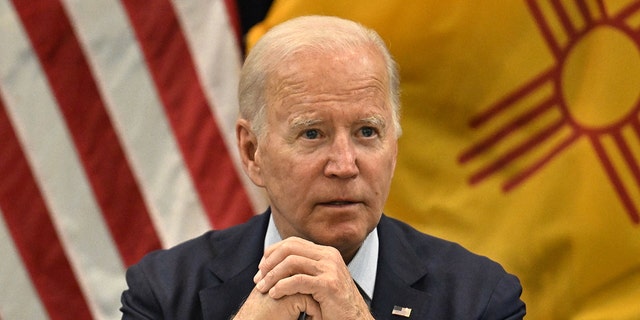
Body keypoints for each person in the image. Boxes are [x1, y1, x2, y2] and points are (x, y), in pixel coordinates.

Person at [120, 15, 526, 319]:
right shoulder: (165, 293)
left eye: (367, 132)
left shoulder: (480, 300)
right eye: (312, 134)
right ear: (251, 151)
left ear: (395, 148)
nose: (345, 165)